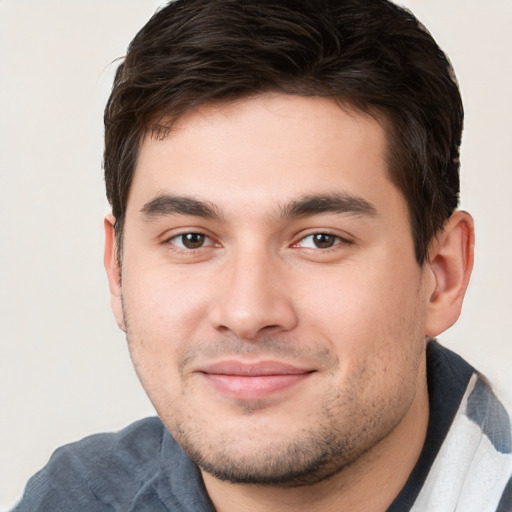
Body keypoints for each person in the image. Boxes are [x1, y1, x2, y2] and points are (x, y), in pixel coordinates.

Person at [12, 0, 512, 510]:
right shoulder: (73, 498)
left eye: (321, 240)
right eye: (191, 239)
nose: (247, 313)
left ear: (442, 275)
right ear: (118, 272)